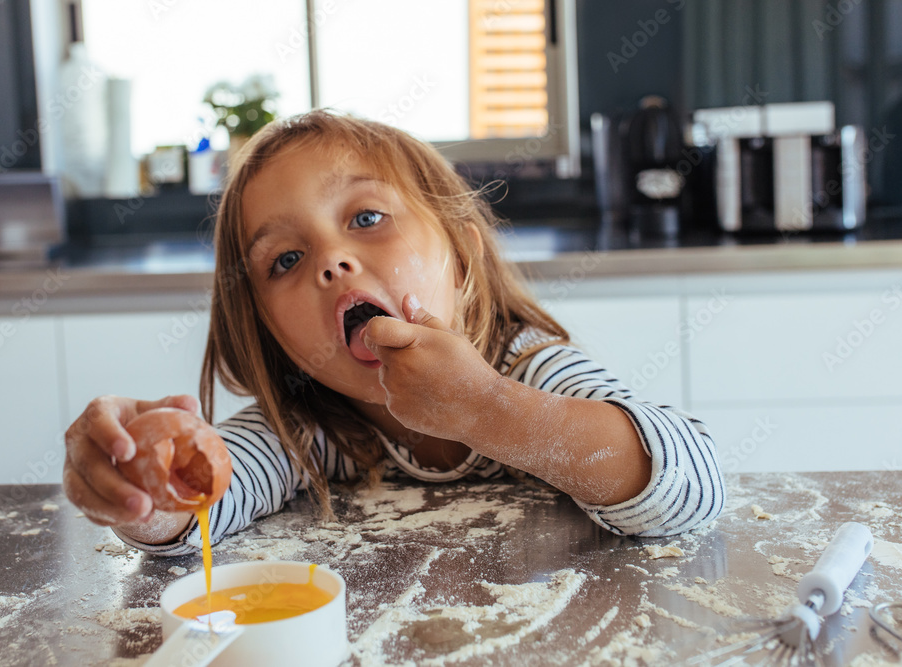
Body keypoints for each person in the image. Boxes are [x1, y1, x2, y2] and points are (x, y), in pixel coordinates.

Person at [63, 110, 725, 556]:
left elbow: (689, 486)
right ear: (269, 331)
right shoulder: (307, 426)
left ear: (461, 261)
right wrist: (149, 483)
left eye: (368, 216)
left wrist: (487, 408)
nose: (332, 259)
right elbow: (209, 504)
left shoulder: (529, 367)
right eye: (285, 260)